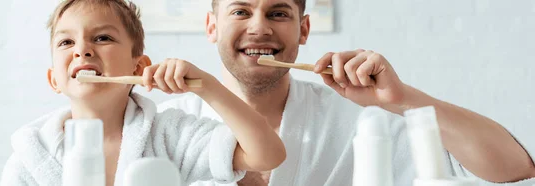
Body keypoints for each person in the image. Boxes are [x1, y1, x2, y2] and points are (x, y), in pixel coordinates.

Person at [159, 0, 535, 185]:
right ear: (211, 26)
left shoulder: (362, 119)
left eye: (278, 13)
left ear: (304, 30)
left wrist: (400, 98)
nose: (259, 28)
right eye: (241, 11)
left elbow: (514, 168)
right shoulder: (169, 127)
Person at [0, 0, 286, 185]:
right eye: (66, 42)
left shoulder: (169, 134)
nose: (81, 50)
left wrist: (207, 86)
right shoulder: (32, 157)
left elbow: (267, 154)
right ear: (54, 80)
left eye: (102, 38)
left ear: (139, 68)